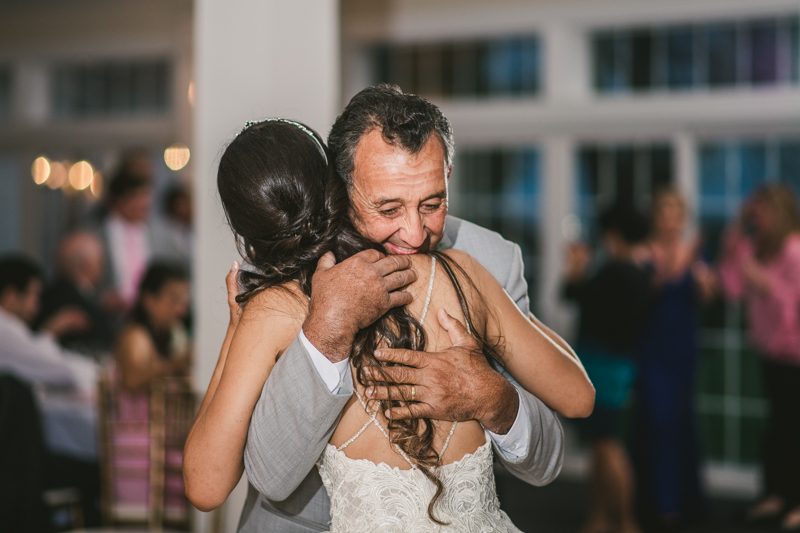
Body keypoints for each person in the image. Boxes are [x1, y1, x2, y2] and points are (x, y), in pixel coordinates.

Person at [184, 116, 591, 531]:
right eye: (388, 207)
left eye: (431, 204)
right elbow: (262, 474)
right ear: (342, 187)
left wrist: (496, 399)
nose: (414, 235)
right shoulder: (457, 273)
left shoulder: (483, 261)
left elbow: (566, 413)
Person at [562, 205, 652, 533]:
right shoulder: (640, 273)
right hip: (619, 365)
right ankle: (598, 519)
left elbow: (572, 293)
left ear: (613, 235)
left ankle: (627, 522)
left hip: (602, 368)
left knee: (607, 445)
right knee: (601, 446)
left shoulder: (617, 272)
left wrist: (575, 266)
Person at [631, 189, 716, 528]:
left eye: (675, 213)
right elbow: (645, 292)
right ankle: (659, 504)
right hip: (651, 350)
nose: (670, 220)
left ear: (682, 217)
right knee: (656, 421)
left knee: (680, 423)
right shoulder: (642, 254)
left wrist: (703, 275)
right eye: (664, 212)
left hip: (682, 350)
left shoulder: (695, 254)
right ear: (656, 217)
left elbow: (710, 297)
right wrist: (673, 263)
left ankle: (683, 501)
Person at [718, 184, 800, 531]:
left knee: (794, 429)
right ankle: (776, 494)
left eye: (761, 211)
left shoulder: (794, 250)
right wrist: (738, 222)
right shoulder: (757, 249)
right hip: (771, 353)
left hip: (795, 354)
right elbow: (733, 286)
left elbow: (791, 305)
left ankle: (796, 501)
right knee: (778, 430)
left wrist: (763, 282)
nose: (757, 217)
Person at [0, 255, 97, 393]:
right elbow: (61, 370)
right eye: (32, 295)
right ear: (10, 296)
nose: (36, 306)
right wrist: (100, 373)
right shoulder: (5, 329)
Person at [114, 262, 192, 391]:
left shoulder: (172, 333)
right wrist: (177, 363)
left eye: (183, 301)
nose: (180, 309)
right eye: (174, 299)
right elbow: (132, 381)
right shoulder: (136, 336)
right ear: (149, 299)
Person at [34, 231, 114, 354]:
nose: (103, 268)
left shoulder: (45, 295)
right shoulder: (82, 306)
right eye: (101, 261)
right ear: (88, 265)